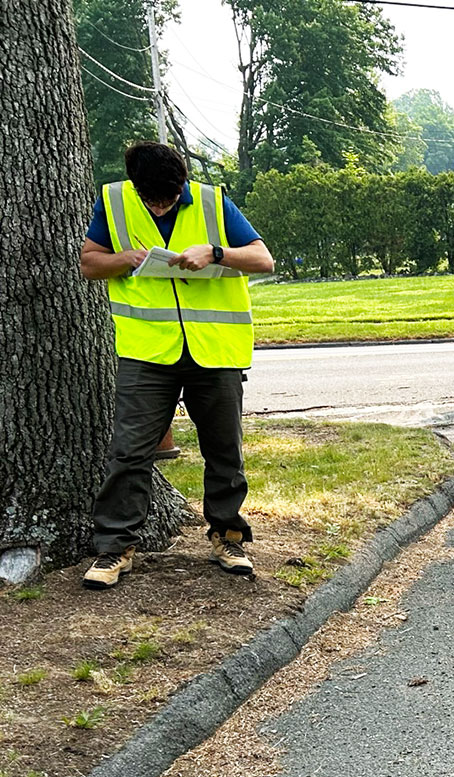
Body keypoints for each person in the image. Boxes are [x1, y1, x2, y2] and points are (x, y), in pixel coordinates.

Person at [77, 142, 274, 590]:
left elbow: (263, 259)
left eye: (168, 196)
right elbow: (89, 264)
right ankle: (114, 549)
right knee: (128, 453)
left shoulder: (211, 200)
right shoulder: (115, 201)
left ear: (182, 182)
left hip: (215, 351)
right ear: (136, 186)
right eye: (153, 199)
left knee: (225, 451)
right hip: (147, 353)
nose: (161, 205)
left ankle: (228, 538)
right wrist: (123, 261)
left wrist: (216, 253)